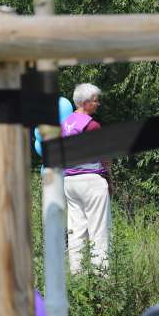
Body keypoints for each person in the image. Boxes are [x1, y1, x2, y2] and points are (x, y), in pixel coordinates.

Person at [62, 83, 112, 274]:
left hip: (69, 181)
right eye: (95, 100)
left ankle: (77, 276)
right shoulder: (92, 125)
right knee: (99, 230)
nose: (98, 104)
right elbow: (105, 155)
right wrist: (109, 178)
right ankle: (101, 278)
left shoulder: (65, 124)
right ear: (84, 102)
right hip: (91, 181)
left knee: (76, 230)